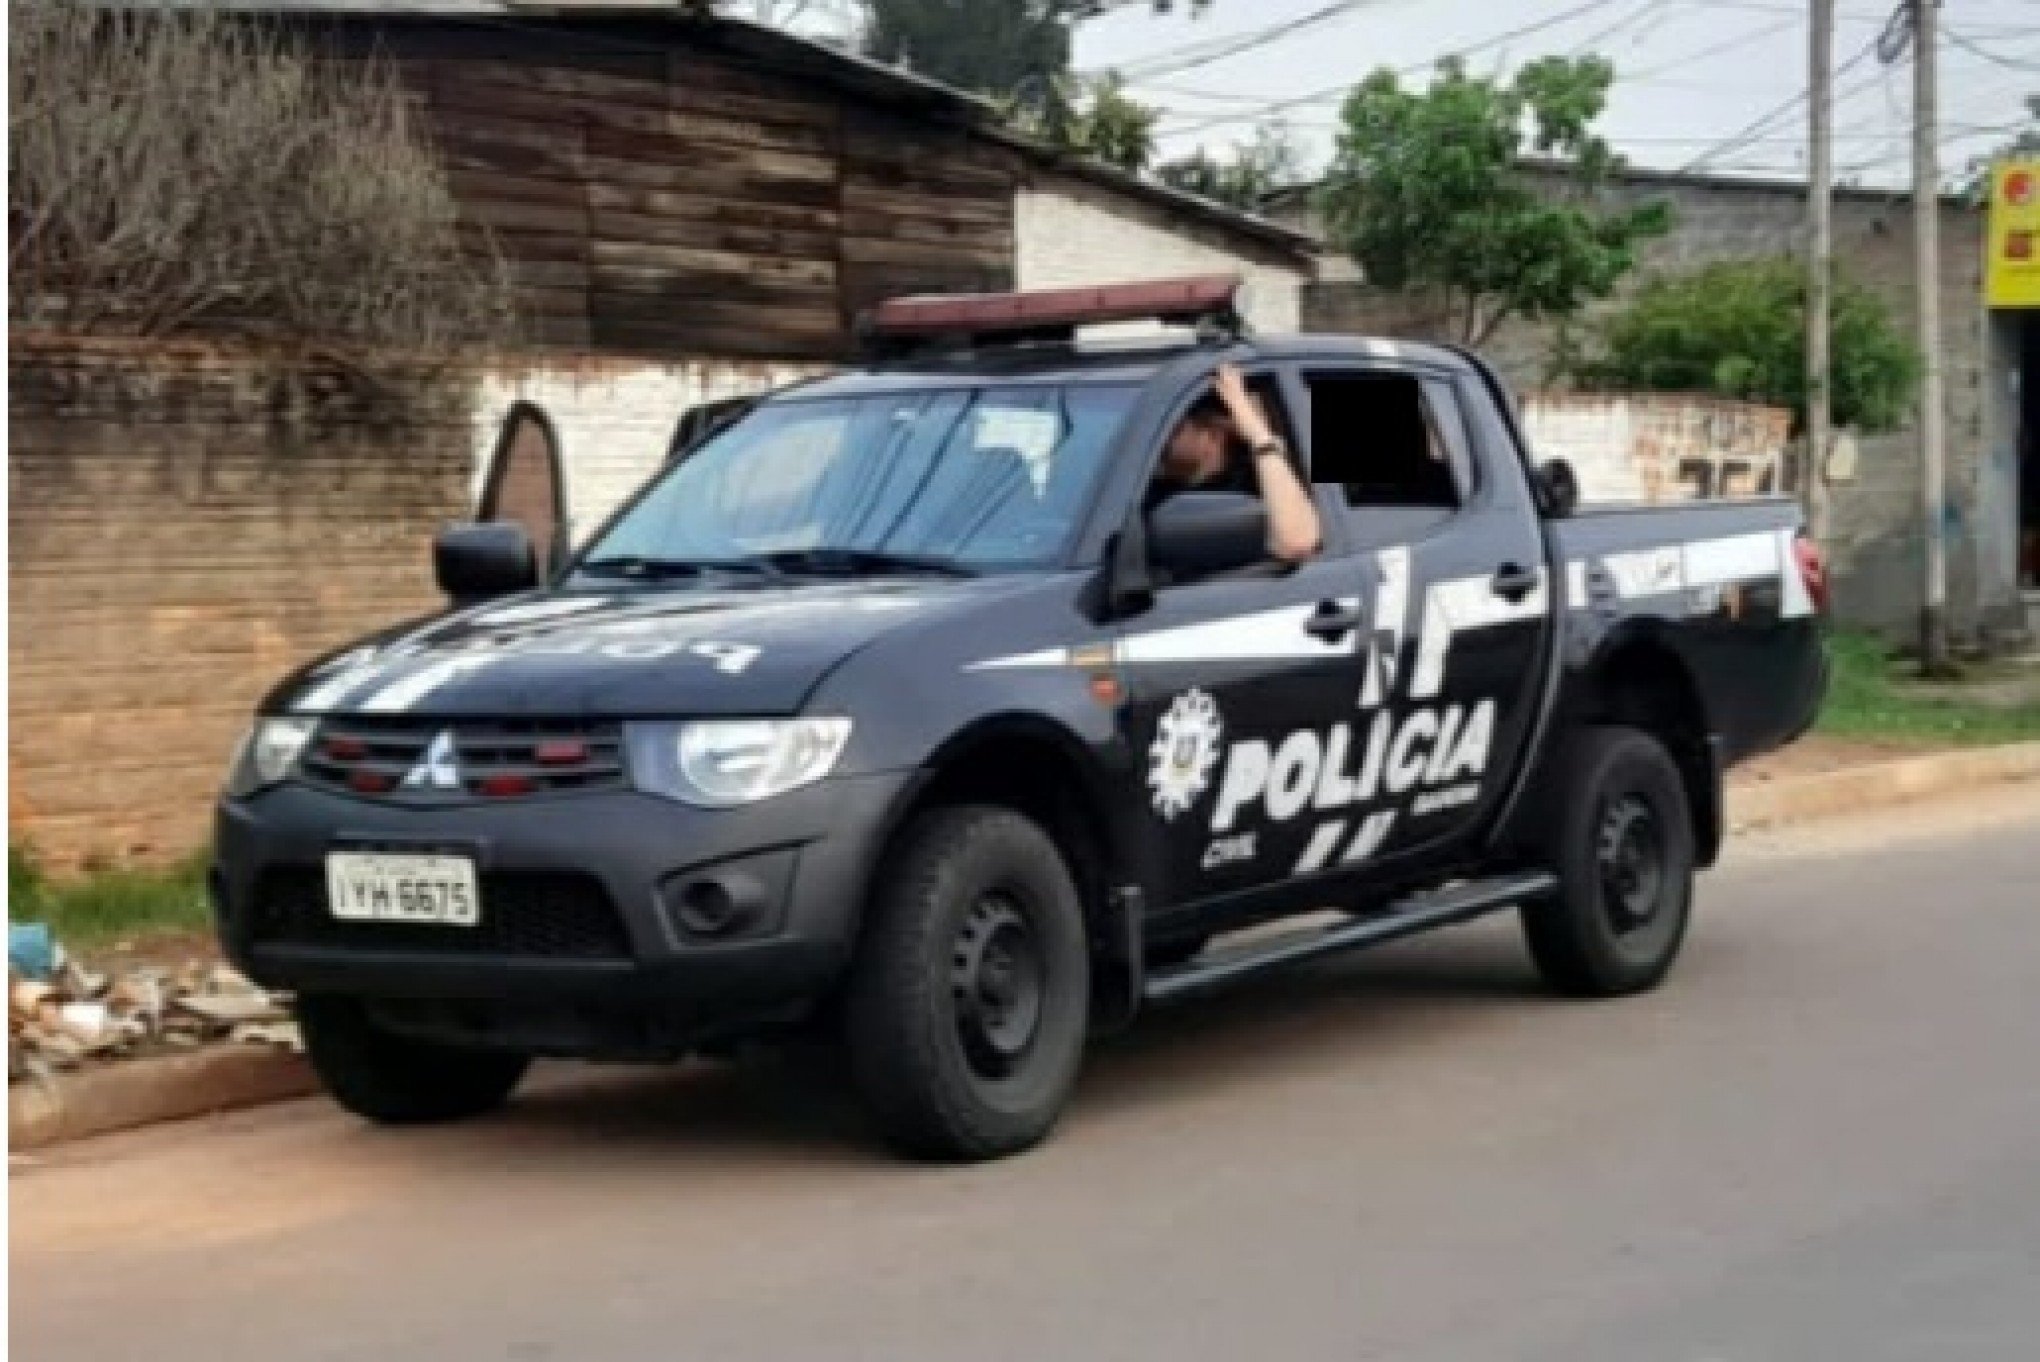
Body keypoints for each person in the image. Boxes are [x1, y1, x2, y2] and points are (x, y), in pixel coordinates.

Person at [1147, 362, 1321, 564]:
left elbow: (1297, 544)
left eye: (1171, 426)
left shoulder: (1261, 479)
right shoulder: (1144, 488)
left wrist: (1258, 435)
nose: (1155, 436)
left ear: (1213, 429)